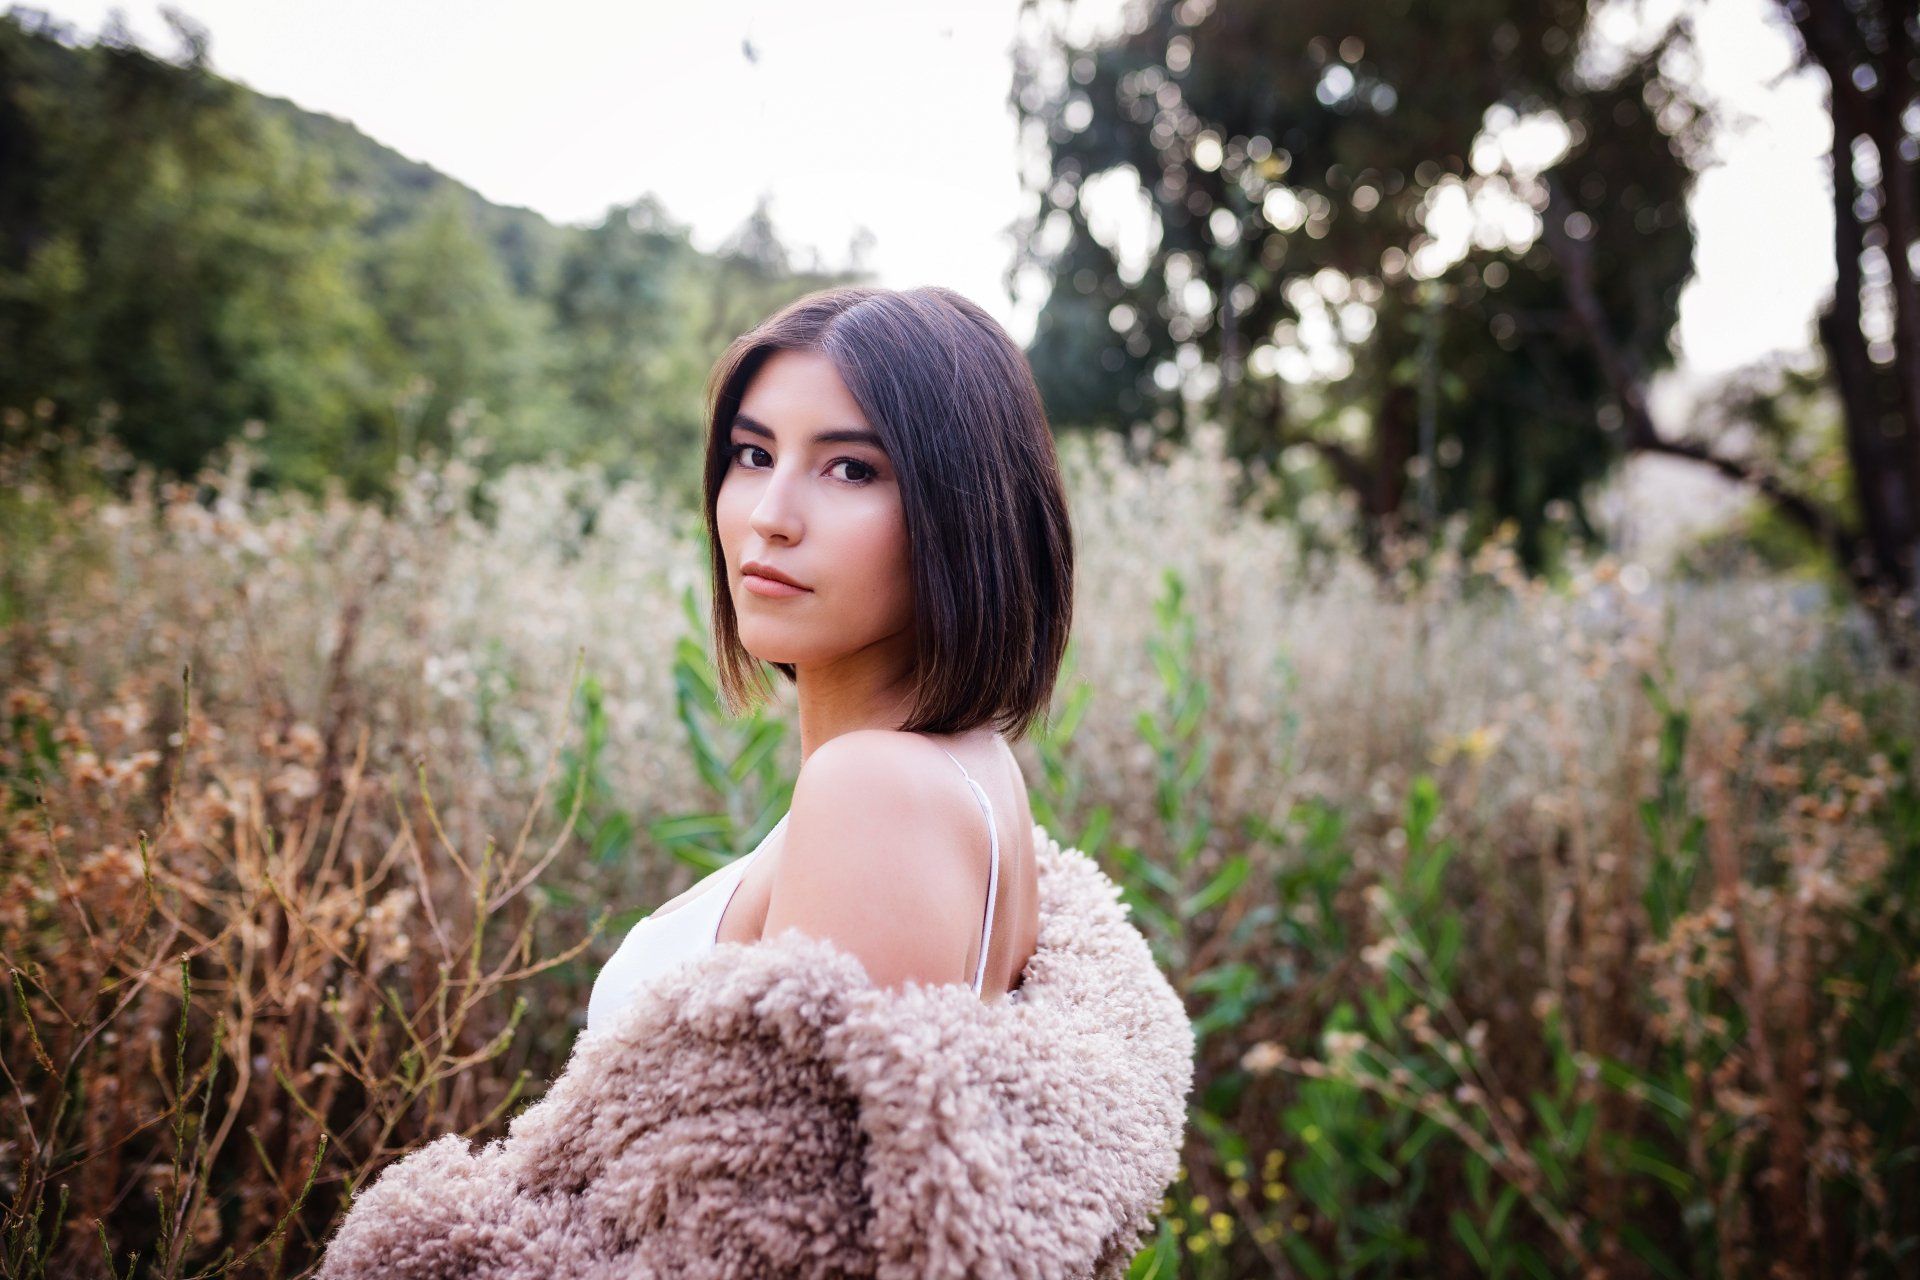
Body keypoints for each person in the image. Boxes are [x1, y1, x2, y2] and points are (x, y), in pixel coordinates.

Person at [585, 283, 1073, 1033]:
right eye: (753, 455)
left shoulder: (874, 790)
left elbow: (793, 1150)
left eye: (849, 468)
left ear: (965, 511)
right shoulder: (961, 765)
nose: (770, 518)